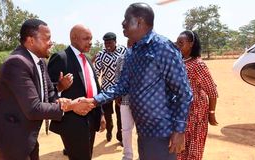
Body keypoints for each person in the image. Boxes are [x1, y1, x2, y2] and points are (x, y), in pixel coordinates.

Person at [84, 3, 193, 160]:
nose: (123, 23)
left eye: (126, 19)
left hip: (163, 133)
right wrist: (94, 101)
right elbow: (121, 86)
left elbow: (184, 92)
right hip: (144, 131)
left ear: (140, 22)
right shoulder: (132, 53)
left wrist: (179, 130)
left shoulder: (163, 48)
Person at [0, 19, 94, 160]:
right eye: (47, 38)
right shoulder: (16, 63)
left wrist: (60, 90)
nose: (51, 42)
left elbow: (49, 93)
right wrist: (71, 106)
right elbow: (33, 108)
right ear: (31, 40)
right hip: (11, 138)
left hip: (27, 135)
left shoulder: (40, 61)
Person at [47, 24, 105, 160]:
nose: (90, 42)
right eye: (86, 39)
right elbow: (48, 92)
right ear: (74, 38)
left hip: (91, 118)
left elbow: (96, 88)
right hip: (72, 122)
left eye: (91, 39)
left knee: (87, 155)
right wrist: (60, 87)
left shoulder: (87, 60)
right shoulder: (61, 58)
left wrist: (101, 113)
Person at [175, 30, 218, 160]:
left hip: (196, 114)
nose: (178, 46)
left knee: (194, 149)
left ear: (191, 44)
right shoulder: (179, 62)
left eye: (181, 43)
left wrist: (211, 113)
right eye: (177, 43)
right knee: (179, 150)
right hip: (181, 113)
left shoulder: (198, 65)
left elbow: (212, 91)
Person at [94, 32, 127, 143]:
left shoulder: (123, 50)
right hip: (107, 90)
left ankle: (120, 136)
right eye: (105, 43)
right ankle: (109, 129)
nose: (107, 45)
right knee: (107, 114)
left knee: (120, 114)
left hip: (120, 90)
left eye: (110, 43)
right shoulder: (101, 54)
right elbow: (97, 72)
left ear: (115, 42)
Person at [115, 39, 135, 160]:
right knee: (126, 129)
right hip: (125, 101)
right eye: (130, 44)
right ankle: (127, 156)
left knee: (142, 130)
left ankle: (144, 154)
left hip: (142, 102)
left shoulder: (146, 58)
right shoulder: (121, 59)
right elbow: (118, 79)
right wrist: (118, 95)